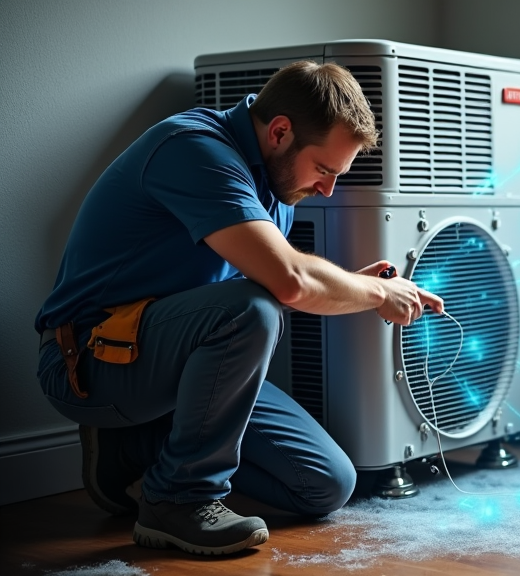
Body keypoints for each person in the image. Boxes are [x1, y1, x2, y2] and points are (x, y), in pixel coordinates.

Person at [34, 61, 444, 556]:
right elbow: (283, 288)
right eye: (325, 169)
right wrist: (378, 295)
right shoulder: (194, 149)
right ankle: (177, 499)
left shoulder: (276, 187)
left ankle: (130, 450)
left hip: (165, 361)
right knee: (248, 309)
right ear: (279, 131)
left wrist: (350, 285)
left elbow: (272, 288)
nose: (327, 190)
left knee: (326, 484)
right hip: (89, 361)